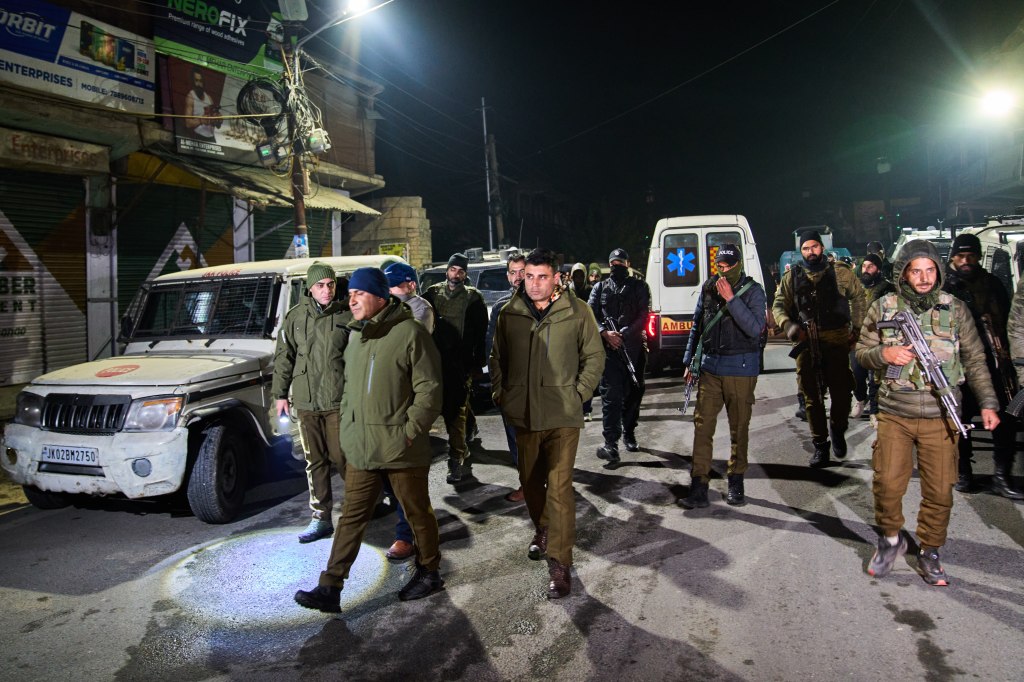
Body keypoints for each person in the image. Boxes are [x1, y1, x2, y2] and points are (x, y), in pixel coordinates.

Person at [294, 267, 444, 612]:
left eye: (359, 293)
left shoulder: (410, 333)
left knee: (417, 513)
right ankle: (330, 587)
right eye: (351, 294)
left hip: (401, 449)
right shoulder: (357, 337)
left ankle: (430, 571)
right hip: (363, 447)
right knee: (351, 516)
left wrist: (408, 433)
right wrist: (348, 429)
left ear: (380, 296)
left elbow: (430, 391)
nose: (352, 299)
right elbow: (348, 391)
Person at [856, 239, 999, 586]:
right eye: (916, 271)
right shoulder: (884, 306)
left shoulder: (956, 308)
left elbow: (976, 360)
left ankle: (930, 550)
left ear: (938, 270)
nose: (923, 278)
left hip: (941, 414)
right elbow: (861, 353)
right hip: (895, 413)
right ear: (903, 272)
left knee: (940, 490)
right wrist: (885, 357)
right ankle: (891, 540)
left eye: (930, 270)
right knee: (888, 484)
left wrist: (988, 403)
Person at [490, 248, 604, 599]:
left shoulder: (577, 311)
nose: (534, 284)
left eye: (542, 277)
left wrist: (577, 395)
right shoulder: (510, 314)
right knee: (530, 481)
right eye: (529, 277)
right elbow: (498, 359)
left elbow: (595, 356)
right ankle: (542, 527)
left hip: (561, 418)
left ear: (557, 277)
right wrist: (502, 395)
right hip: (523, 416)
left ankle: (560, 561)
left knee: (558, 489)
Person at [677, 245, 766, 509]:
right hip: (710, 368)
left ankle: (736, 481)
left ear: (738, 264)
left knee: (739, 428)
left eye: (728, 266)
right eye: (720, 266)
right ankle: (698, 487)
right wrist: (689, 361)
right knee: (702, 427)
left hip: (740, 369)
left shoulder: (753, 291)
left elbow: (754, 329)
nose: (723, 271)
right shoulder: (708, 287)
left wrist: (731, 299)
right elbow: (698, 324)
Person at [271, 262, 350, 544]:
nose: (327, 290)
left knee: (344, 458)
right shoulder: (294, 318)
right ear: (310, 288)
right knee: (314, 460)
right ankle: (321, 518)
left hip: (338, 400)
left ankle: (361, 509)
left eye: (330, 284)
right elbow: (284, 358)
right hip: (306, 401)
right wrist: (280, 395)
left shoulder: (346, 315)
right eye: (320, 285)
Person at [772, 230, 865, 467]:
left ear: (822, 248)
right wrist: (788, 325)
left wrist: (856, 329)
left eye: (814, 247)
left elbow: (859, 297)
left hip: (836, 339)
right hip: (806, 339)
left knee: (842, 392)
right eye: (805, 248)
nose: (810, 252)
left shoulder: (841, 272)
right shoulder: (791, 277)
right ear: (800, 251)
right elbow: (779, 305)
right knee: (811, 397)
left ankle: (837, 428)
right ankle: (820, 446)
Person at [941, 233, 1022, 499]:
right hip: (958, 365)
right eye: (961, 256)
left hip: (994, 362)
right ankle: (964, 472)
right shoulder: (942, 288)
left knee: (1005, 419)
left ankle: (1001, 476)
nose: (966, 261)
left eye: (971, 256)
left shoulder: (992, 284)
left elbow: (1009, 320)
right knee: (958, 421)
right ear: (953, 257)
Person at [380, 260, 437, 560]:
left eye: (391, 285)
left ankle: (407, 534)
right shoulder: (381, 309)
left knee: (406, 470)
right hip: (381, 403)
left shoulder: (419, 309)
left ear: (408, 284)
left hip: (408, 402)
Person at [423, 252, 488, 483]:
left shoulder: (473, 298)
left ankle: (456, 458)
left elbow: (481, 333)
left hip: (460, 362)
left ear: (465, 275)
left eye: (460, 271)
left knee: (455, 409)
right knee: (454, 406)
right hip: (434, 361)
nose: (456, 275)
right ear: (447, 271)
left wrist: (478, 362)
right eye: (453, 270)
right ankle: (469, 425)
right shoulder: (431, 294)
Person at [589, 248, 651, 463]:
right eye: (613, 263)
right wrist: (605, 333)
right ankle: (611, 443)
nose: (617, 266)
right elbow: (590, 315)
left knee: (634, 394)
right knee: (611, 398)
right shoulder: (600, 288)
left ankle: (629, 432)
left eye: (620, 263)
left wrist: (624, 334)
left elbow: (644, 314)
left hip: (633, 350)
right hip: (609, 352)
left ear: (627, 263)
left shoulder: (640, 287)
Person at [485, 253, 528, 502]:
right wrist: (496, 385)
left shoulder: (543, 303)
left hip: (538, 386)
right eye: (513, 272)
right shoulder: (500, 307)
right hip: (510, 387)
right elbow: (490, 348)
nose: (517, 277)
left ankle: (546, 483)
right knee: (515, 438)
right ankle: (527, 484)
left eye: (522, 271)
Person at [852, 253, 894, 419]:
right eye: (864, 266)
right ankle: (860, 399)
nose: (866, 270)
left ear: (878, 269)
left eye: (871, 266)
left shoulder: (887, 288)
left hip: (878, 338)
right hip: (858, 338)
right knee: (856, 373)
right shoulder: (856, 288)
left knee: (875, 377)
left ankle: (875, 410)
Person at [385, 261, 434, 333]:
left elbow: (406, 338)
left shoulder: (421, 309)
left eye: (392, 285)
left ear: (411, 285)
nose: (388, 290)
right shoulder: (390, 304)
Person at [184, 66, 220, 143]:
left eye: (201, 81)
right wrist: (201, 120)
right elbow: (187, 123)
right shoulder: (190, 97)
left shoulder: (209, 97)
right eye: (196, 80)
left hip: (211, 137)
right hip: (198, 137)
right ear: (193, 81)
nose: (199, 84)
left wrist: (218, 120)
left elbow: (216, 123)